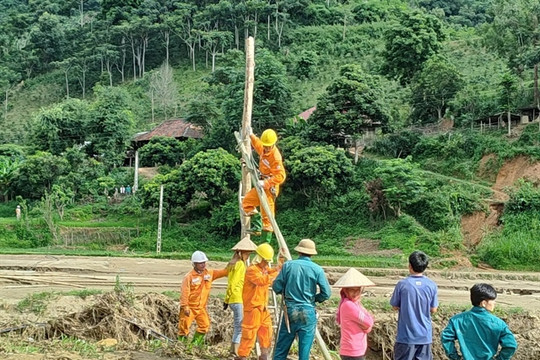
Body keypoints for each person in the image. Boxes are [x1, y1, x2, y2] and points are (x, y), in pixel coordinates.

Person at [272, 239, 331, 360]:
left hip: (290, 310)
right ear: (312, 253)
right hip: (308, 311)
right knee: (304, 354)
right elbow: (326, 293)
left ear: (299, 252)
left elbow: (276, 286)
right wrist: (314, 299)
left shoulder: (288, 265)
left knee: (281, 350)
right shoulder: (317, 269)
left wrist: (283, 291)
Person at [441, 283, 517, 360]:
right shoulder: (498, 323)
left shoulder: (456, 320)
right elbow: (511, 345)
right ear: (483, 303)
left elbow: (446, 338)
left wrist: (455, 357)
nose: (494, 303)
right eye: (492, 300)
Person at [235, 243, 283, 360]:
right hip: (253, 308)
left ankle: (264, 355)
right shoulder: (252, 270)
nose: (267, 263)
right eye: (266, 261)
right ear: (260, 258)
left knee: (267, 331)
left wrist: (280, 264)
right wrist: (278, 274)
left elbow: (271, 272)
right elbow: (262, 280)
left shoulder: (264, 268)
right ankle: (242, 356)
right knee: (249, 334)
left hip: (262, 307)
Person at [390, 250, 438, 360]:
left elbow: (394, 306)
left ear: (410, 266)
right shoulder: (431, 285)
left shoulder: (402, 284)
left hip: (406, 336)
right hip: (425, 336)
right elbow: (433, 309)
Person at [178, 250, 231, 346]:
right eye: (200, 263)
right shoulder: (189, 277)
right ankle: (182, 346)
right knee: (184, 328)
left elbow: (224, 272)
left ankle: (193, 345)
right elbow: (185, 292)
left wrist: (234, 261)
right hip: (189, 308)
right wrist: (185, 306)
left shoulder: (209, 273)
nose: (203, 265)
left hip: (201, 308)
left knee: (204, 326)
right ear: (194, 264)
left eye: (204, 262)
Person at [242, 129, 286, 243]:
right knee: (247, 202)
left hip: (269, 188)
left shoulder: (275, 157)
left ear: (274, 144)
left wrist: (266, 183)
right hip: (260, 184)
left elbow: (281, 176)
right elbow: (257, 144)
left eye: (268, 146)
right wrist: (251, 134)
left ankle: (265, 246)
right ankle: (257, 226)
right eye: (265, 146)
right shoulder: (263, 149)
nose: (266, 148)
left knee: (267, 219)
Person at [224, 236, 258, 356]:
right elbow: (233, 283)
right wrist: (227, 298)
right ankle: (235, 352)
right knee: (239, 327)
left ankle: (234, 350)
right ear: (241, 253)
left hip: (234, 299)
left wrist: (227, 299)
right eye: (247, 254)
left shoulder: (233, 263)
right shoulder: (239, 265)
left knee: (238, 326)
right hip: (237, 298)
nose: (248, 256)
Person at [334, 268, 376, 360]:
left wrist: (367, 327)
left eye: (358, 290)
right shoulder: (349, 305)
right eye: (352, 290)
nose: (356, 293)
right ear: (345, 291)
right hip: (352, 351)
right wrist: (367, 327)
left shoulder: (355, 304)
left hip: (356, 350)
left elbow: (368, 323)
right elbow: (369, 322)